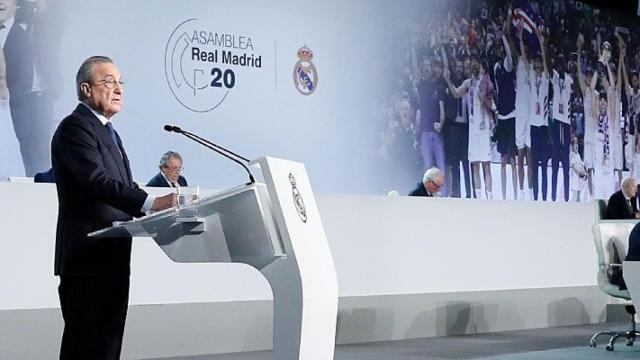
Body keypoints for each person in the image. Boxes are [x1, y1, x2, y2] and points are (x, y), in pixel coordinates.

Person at [51, 56, 176, 359]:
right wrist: (150, 203)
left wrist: (158, 208)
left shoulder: (110, 132)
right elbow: (98, 181)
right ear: (86, 88)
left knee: (108, 347)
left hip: (114, 257)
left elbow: (126, 186)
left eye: (121, 82)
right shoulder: (74, 128)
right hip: (87, 259)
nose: (118, 88)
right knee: (84, 348)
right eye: (109, 82)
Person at [550, 52, 574, 201]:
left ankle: (566, 197)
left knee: (565, 164)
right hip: (557, 121)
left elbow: (572, 86)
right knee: (554, 163)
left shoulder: (569, 79)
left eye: (562, 64)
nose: (560, 66)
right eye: (558, 64)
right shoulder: (555, 77)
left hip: (565, 123)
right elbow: (548, 68)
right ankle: (552, 197)